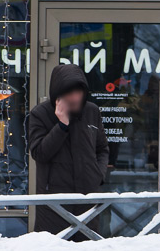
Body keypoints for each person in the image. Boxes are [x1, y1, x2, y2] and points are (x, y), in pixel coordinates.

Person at [25, 64, 108, 234]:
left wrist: (97, 174)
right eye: (70, 93)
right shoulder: (40, 114)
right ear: (58, 95)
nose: (75, 98)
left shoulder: (92, 111)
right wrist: (61, 125)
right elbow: (39, 153)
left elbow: (102, 149)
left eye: (79, 92)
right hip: (54, 202)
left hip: (88, 198)